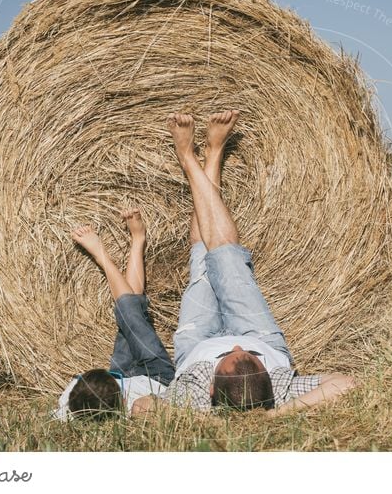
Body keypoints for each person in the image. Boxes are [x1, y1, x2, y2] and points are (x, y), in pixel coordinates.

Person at [133, 110, 356, 416]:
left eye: (230, 355)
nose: (235, 347)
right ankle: (204, 156)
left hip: (196, 346)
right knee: (224, 254)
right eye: (247, 356)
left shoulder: (193, 397)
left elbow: (142, 408)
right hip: (259, 336)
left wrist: (200, 420)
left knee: (201, 253)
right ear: (268, 377)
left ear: (209, 389)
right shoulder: (280, 388)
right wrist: (278, 413)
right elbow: (347, 384)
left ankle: (194, 157)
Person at [53, 209, 175, 421]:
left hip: (121, 370)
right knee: (129, 310)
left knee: (131, 314)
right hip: (156, 375)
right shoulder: (136, 408)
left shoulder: (70, 406)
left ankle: (137, 241)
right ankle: (107, 253)